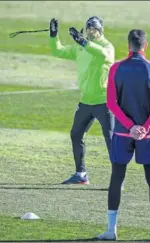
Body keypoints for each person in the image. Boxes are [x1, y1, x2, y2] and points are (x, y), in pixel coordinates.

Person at [97, 29, 150, 242]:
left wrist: (129, 127)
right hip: (148, 136)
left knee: (116, 178)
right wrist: (145, 128)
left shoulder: (116, 68)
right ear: (145, 46)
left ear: (128, 46)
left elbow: (111, 103)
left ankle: (111, 231)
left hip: (121, 132)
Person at [49, 16, 115, 184]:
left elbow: (102, 54)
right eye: (88, 29)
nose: (91, 32)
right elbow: (58, 51)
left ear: (100, 30)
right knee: (76, 135)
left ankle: (117, 179)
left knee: (111, 141)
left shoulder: (107, 47)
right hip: (86, 102)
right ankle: (81, 174)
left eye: (94, 28)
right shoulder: (80, 47)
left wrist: (83, 42)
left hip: (104, 102)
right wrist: (53, 35)